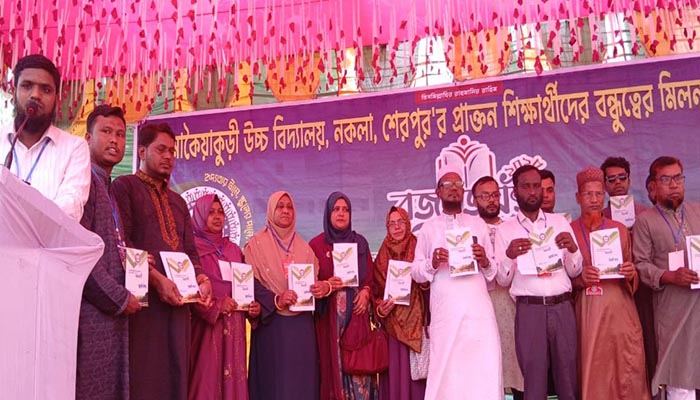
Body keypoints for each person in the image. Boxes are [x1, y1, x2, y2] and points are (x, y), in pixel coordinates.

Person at [112, 122, 213, 400]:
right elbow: (123, 244)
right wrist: (157, 281)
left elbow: (190, 251)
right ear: (142, 151)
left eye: (172, 151)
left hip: (179, 302)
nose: (168, 156)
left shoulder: (178, 202)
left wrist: (202, 279)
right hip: (144, 303)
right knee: (146, 375)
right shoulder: (125, 187)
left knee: (176, 372)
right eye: (161, 149)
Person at [411, 165, 501, 400]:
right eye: (448, 185)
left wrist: (484, 259)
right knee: (446, 370)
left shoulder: (478, 224)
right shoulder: (429, 228)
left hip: (478, 311)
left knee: (482, 365)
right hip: (446, 313)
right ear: (438, 192)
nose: (454, 189)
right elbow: (416, 272)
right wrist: (432, 262)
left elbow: (493, 272)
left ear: (464, 191)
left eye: (458, 184)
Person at [494, 164, 582, 400]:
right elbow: (502, 280)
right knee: (533, 382)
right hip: (529, 310)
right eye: (526, 187)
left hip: (562, 307)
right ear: (515, 191)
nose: (533, 192)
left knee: (568, 378)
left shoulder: (559, 223)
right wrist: (509, 256)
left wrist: (573, 250)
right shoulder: (505, 230)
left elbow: (574, 271)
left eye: (537, 186)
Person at [76, 105, 141, 399]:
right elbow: (80, 253)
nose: (115, 140)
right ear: (88, 138)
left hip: (111, 314)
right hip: (89, 315)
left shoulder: (107, 185)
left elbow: (107, 243)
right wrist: (119, 298)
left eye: (120, 134)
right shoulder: (84, 182)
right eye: (106, 132)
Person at [570, 167, 649, 400]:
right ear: (578, 197)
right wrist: (580, 279)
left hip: (620, 308)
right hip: (589, 310)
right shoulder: (570, 231)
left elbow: (632, 271)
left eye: (598, 194)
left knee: (626, 364)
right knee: (594, 366)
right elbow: (562, 277)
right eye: (588, 194)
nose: (594, 199)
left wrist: (630, 273)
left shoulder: (619, 230)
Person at [244, 191, 326, 400]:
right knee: (273, 385)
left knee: (300, 386)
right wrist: (277, 299)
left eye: (289, 207)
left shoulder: (305, 249)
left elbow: (315, 283)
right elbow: (250, 283)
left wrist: (318, 289)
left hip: (301, 328)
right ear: (271, 210)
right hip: (272, 326)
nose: (285, 211)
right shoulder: (255, 245)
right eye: (280, 206)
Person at [634, 156, 700, 400]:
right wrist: (669, 276)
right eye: (666, 179)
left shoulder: (697, 211)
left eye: (678, 178)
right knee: (680, 375)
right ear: (653, 186)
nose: (674, 185)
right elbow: (640, 264)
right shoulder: (645, 221)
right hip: (674, 310)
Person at [188, 194, 261, 400]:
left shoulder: (234, 250)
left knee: (233, 381)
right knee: (207, 380)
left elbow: (245, 285)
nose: (217, 217)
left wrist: (252, 308)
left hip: (235, 326)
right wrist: (217, 306)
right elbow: (189, 289)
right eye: (211, 212)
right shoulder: (193, 249)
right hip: (206, 329)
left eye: (220, 212)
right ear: (200, 215)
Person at [0, 54, 90, 220]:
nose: (35, 95)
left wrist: (20, 216)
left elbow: (70, 208)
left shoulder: (75, 148)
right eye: (27, 86)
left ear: (57, 99)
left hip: (45, 237)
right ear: (13, 92)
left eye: (46, 89)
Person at [310, 191, 378, 400]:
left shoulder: (360, 243)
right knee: (332, 370)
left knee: (360, 369)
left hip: (357, 317)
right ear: (328, 213)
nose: (341, 214)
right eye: (336, 209)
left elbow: (370, 278)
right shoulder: (316, 245)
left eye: (345, 210)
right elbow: (310, 284)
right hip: (329, 322)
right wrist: (325, 285)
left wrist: (366, 292)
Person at [600, 156, 656, 392]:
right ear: (604, 185)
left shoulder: (645, 214)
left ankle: (652, 392)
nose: (617, 183)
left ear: (629, 180)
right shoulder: (600, 218)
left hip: (645, 289)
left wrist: (635, 234)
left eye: (621, 178)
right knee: (620, 347)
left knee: (649, 342)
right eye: (611, 179)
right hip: (615, 290)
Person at [472, 176, 524, 400]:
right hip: (480, 305)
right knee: (485, 368)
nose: (491, 200)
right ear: (474, 200)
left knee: (516, 366)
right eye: (485, 196)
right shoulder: (468, 231)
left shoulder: (513, 228)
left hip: (511, 305)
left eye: (495, 195)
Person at [373, 206, 427, 400]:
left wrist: (423, 283)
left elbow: (431, 282)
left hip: (418, 326)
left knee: (418, 379)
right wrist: (380, 308)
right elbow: (375, 293)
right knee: (397, 380)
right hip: (393, 329)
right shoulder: (382, 254)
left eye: (400, 222)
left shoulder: (419, 247)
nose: (397, 227)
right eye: (392, 223)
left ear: (408, 223)